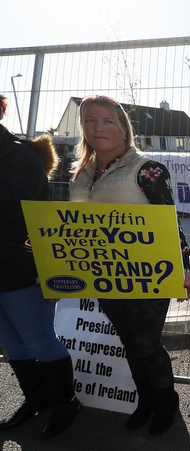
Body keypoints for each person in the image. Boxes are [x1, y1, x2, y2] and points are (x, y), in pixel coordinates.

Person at [69, 94, 190, 435]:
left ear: (124, 128)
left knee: (145, 344)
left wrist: (184, 268)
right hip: (105, 276)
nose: (98, 128)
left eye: (108, 120)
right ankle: (146, 399)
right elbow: (71, 231)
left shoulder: (148, 170)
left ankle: (166, 399)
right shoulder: (81, 174)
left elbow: (170, 223)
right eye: (90, 121)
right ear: (82, 129)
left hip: (149, 276)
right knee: (127, 340)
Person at [0, 94, 82, 438]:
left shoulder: (20, 155)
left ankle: (66, 403)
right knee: (10, 342)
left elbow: (11, 208)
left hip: (21, 266)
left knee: (39, 339)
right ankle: (36, 398)